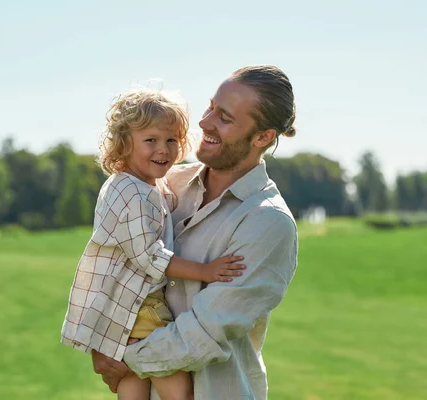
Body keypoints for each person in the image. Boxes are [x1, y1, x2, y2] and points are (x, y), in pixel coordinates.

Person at [91, 65, 299, 400]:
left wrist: (120, 357)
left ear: (263, 137)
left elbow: (205, 332)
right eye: (210, 107)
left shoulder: (268, 223)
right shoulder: (164, 185)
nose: (204, 123)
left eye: (225, 118)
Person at [61, 87, 246, 400]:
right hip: (140, 306)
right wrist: (206, 271)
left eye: (172, 140)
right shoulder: (132, 193)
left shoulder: (143, 184)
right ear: (125, 144)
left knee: (132, 389)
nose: (164, 150)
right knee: (179, 393)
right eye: (151, 141)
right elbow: (149, 257)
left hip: (124, 306)